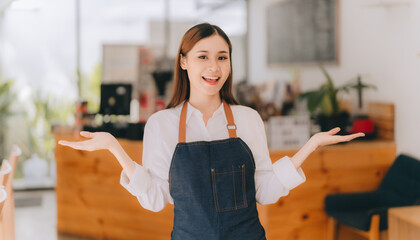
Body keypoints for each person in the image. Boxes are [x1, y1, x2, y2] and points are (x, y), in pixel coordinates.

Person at [59, 23, 364, 240]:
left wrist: (309, 147)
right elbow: (155, 199)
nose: (214, 66)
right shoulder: (162, 124)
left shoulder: (248, 119)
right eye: (202, 56)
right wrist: (115, 147)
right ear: (184, 62)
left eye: (222, 57)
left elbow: (264, 192)